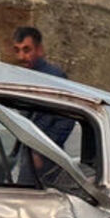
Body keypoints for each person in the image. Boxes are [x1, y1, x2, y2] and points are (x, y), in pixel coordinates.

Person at [11, 26, 74, 186]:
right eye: (17, 50)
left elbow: (66, 120)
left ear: (39, 50)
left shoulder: (54, 79)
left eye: (27, 50)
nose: (21, 56)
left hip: (47, 158)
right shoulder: (21, 77)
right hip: (28, 152)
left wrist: (41, 152)